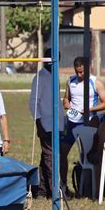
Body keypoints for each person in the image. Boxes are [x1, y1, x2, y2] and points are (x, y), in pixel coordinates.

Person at [60, 56, 105, 191]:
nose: (79, 75)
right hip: (72, 122)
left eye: (82, 72)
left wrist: (90, 109)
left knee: (88, 156)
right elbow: (66, 98)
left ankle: (90, 187)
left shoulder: (96, 82)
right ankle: (63, 186)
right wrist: (66, 104)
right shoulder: (70, 81)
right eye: (77, 72)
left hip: (89, 123)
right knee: (62, 152)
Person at [29, 48, 64, 198]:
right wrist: (39, 124)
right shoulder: (40, 78)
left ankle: (42, 190)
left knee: (47, 158)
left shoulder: (54, 76)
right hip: (46, 125)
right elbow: (33, 103)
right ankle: (57, 190)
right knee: (51, 158)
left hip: (57, 124)